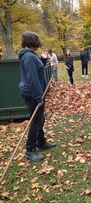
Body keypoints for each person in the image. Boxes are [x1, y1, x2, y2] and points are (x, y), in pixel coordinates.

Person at [18, 31, 56, 162]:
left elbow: (36, 69)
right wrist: (38, 97)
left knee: (40, 118)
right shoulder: (28, 57)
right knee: (36, 120)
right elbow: (32, 78)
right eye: (37, 41)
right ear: (33, 42)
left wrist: (42, 60)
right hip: (32, 93)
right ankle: (30, 150)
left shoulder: (31, 56)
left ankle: (41, 142)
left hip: (35, 92)